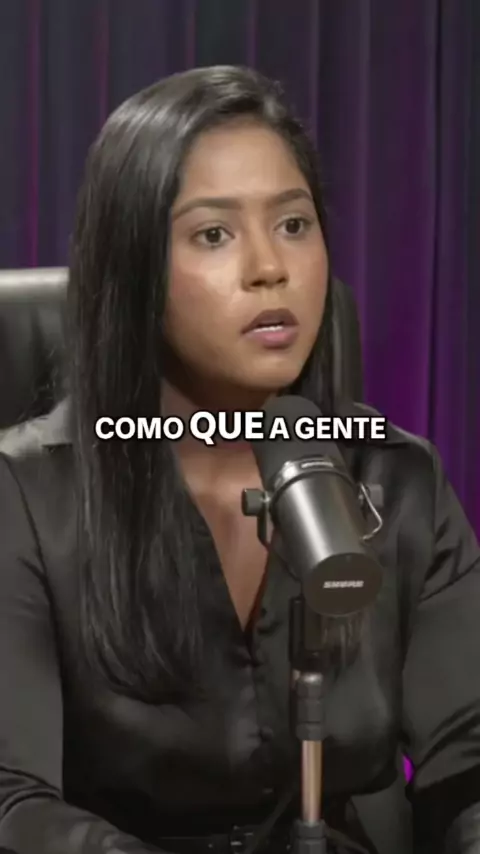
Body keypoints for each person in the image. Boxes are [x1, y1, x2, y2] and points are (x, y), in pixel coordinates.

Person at [0, 65, 479, 854]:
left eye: (293, 223)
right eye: (213, 235)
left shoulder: (397, 479)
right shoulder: (27, 496)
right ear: (134, 268)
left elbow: (469, 758)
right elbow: (13, 800)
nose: (269, 267)